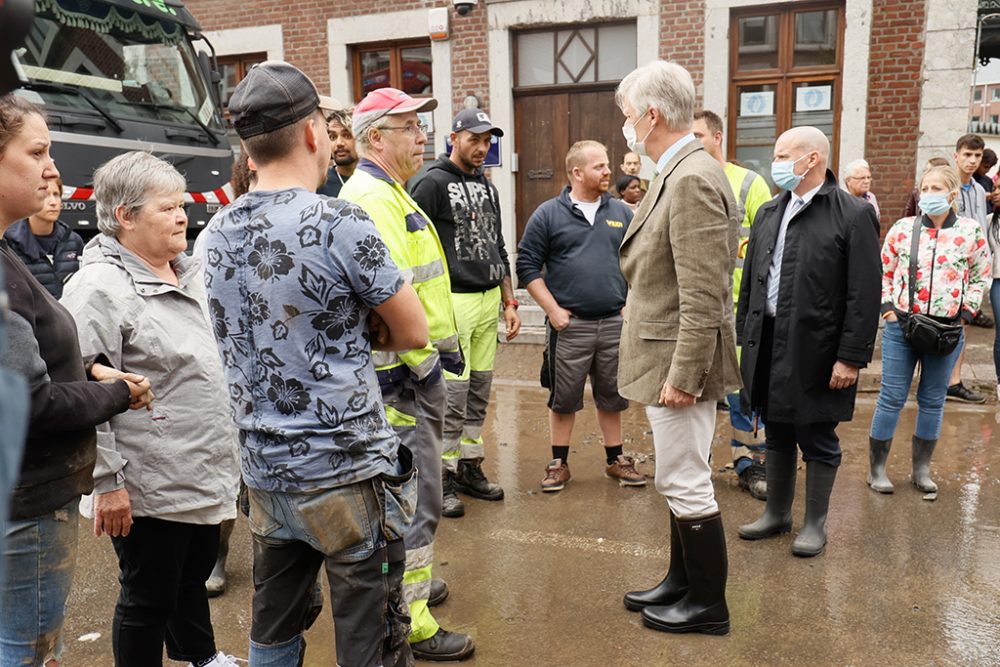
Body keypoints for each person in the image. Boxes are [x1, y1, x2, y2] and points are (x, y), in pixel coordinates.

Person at [201, 62, 427, 667]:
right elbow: (413, 330)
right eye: (329, 127)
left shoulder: (214, 232)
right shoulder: (339, 222)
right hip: (344, 470)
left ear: (249, 149)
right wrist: (350, 328)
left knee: (273, 629)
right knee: (369, 631)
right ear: (310, 134)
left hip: (264, 469)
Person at [60, 151, 241, 667]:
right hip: (146, 482)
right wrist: (107, 482)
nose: (183, 215)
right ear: (126, 216)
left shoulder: (191, 272)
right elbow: (81, 392)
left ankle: (200, 657)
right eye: (167, 207)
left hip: (201, 466)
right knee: (148, 596)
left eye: (182, 204)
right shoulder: (98, 289)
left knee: (189, 579)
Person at [0, 93, 152, 666]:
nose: (52, 169)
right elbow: (28, 403)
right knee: (27, 652)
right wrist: (116, 393)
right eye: (36, 151)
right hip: (28, 502)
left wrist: (85, 370)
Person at [339, 87, 474, 662]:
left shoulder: (386, 191)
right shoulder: (374, 197)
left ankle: (409, 591)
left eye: (422, 128)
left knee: (415, 500)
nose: (423, 138)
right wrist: (428, 370)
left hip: (407, 376)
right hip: (404, 381)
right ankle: (414, 618)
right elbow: (390, 299)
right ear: (377, 138)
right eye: (410, 128)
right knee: (416, 504)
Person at [614, 62, 740, 636]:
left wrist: (686, 374)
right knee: (676, 473)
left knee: (685, 478)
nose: (626, 126)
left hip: (677, 358)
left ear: (652, 115)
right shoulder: (680, 168)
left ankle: (707, 605)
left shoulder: (690, 176)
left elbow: (705, 291)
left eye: (627, 115)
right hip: (663, 350)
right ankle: (680, 582)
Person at [736, 126, 881, 558]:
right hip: (768, 339)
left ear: (813, 158)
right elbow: (752, 282)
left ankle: (815, 523)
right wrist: (746, 333)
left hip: (817, 345)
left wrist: (851, 357)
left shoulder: (852, 214)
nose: (776, 163)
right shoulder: (768, 212)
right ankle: (777, 514)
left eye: (783, 155)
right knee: (777, 428)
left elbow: (864, 293)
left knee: (816, 433)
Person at [411, 108, 520, 519]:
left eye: (488, 140)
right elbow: (414, 244)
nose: (482, 147)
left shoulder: (488, 187)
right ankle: (442, 478)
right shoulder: (431, 183)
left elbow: (499, 246)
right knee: (450, 397)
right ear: (453, 137)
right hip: (452, 301)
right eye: (474, 139)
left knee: (478, 391)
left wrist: (509, 300)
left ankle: (470, 466)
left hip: (488, 299)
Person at [516, 140, 640, 493]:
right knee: (563, 397)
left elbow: (638, 261)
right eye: (599, 166)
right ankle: (559, 463)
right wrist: (553, 311)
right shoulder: (548, 214)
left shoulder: (621, 212)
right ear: (576, 172)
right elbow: (526, 265)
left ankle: (616, 459)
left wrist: (630, 302)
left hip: (614, 324)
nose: (608, 172)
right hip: (569, 326)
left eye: (606, 165)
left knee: (612, 395)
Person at [868, 165, 990, 496]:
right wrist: (888, 310)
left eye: (936, 188)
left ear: (952, 195)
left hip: (947, 330)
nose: (928, 194)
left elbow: (981, 274)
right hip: (902, 327)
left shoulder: (970, 232)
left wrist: (966, 312)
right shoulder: (903, 228)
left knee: (933, 400)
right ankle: (877, 469)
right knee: (891, 398)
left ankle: (921, 470)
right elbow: (884, 271)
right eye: (925, 187)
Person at [692, 108, 772, 501]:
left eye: (699, 136)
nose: (693, 144)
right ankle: (695, 464)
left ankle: (751, 461)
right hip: (695, 310)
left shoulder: (750, 184)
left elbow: (771, 249)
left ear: (717, 137)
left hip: (741, 309)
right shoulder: (676, 180)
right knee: (698, 391)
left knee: (744, 392)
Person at [946, 135, 991, 403]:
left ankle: (954, 381)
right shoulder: (946, 186)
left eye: (977, 156)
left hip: (972, 271)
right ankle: (939, 382)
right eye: (967, 155)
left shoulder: (977, 189)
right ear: (956, 155)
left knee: (963, 325)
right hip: (948, 269)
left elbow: (980, 230)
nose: (972, 161)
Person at [3, 177, 83, 298]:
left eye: (56, 194)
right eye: (45, 195)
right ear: (29, 199)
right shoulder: (9, 243)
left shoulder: (73, 241)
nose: (53, 202)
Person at [317, 106, 357, 198]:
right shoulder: (318, 183)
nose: (339, 143)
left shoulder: (376, 180)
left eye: (347, 135)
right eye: (332, 137)